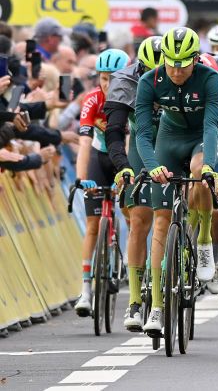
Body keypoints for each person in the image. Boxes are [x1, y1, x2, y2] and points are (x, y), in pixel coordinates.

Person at [135, 27, 218, 336]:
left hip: (201, 139)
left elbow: (213, 125)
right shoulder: (150, 80)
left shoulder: (209, 78)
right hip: (168, 140)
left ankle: (203, 242)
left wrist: (211, 165)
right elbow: (143, 133)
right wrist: (153, 166)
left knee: (200, 172)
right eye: (170, 62)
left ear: (196, 59)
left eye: (183, 63)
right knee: (161, 221)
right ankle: (157, 308)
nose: (175, 69)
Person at [103, 36, 162, 332]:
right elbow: (113, 132)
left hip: (176, 137)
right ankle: (136, 300)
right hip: (142, 141)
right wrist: (123, 167)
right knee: (139, 220)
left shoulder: (186, 73)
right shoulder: (124, 80)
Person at [72, 48, 131, 317]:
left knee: (133, 214)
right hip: (99, 156)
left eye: (114, 79)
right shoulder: (92, 99)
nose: (108, 85)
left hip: (124, 158)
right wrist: (81, 180)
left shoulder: (133, 97)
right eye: (103, 79)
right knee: (93, 225)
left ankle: (132, 262)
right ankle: (85, 290)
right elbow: (84, 144)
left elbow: (131, 141)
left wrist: (127, 174)